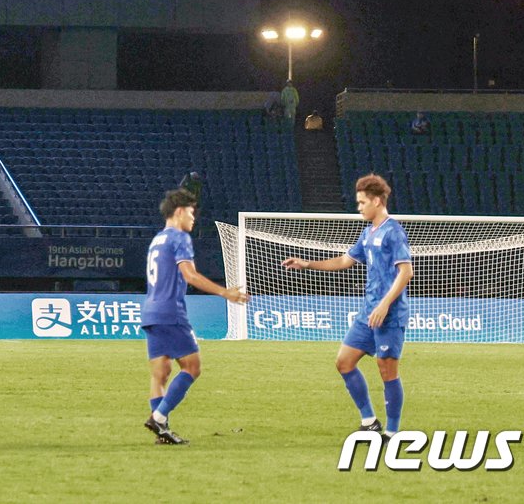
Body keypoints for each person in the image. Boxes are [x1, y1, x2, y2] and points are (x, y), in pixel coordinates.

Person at [281, 173, 413, 439]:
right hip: (368, 312)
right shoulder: (368, 233)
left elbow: (406, 271)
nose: (359, 207)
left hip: (388, 313)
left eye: (362, 202)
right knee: (344, 362)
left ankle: (393, 431)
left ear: (376, 201)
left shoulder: (393, 231)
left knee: (387, 370)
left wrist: (385, 304)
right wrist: (307, 264)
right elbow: (344, 261)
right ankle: (369, 421)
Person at [142, 187, 249, 446]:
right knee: (192, 367)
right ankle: (158, 417)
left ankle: (162, 429)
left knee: (161, 373)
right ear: (179, 212)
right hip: (171, 312)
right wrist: (225, 292)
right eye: (191, 213)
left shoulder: (158, 239)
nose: (193, 218)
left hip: (150, 311)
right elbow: (189, 275)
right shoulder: (180, 238)